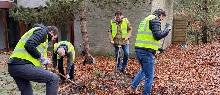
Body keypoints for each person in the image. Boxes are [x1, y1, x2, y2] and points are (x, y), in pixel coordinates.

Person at [128, 9, 172, 94]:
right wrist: (167, 30)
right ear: (161, 15)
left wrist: (157, 49)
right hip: (146, 53)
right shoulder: (155, 20)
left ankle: (132, 87)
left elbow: (146, 38)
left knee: (144, 70)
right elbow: (157, 36)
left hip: (139, 50)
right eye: (162, 18)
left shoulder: (145, 20)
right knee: (150, 76)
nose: (162, 20)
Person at [7, 24, 59, 95]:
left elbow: (32, 52)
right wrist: (42, 58)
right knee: (53, 78)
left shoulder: (36, 32)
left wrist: (42, 62)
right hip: (22, 65)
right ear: (52, 32)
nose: (53, 40)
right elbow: (29, 45)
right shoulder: (42, 32)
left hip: (13, 66)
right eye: (54, 38)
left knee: (27, 93)